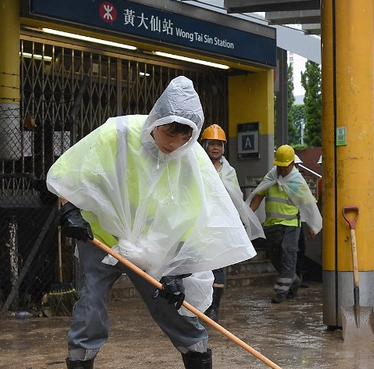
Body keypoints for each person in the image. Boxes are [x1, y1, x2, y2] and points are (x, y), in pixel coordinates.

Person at [47, 76, 256, 369]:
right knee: (89, 308)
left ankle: (197, 356)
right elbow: (67, 174)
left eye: (185, 138)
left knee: (173, 308)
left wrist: (178, 270)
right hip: (100, 238)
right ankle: (81, 361)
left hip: (152, 246)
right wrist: (70, 212)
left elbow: (193, 216)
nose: (176, 144)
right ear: (156, 119)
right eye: (171, 134)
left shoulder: (190, 157)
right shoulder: (117, 134)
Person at [199, 124, 264, 322]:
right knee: (200, 265)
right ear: (206, 145)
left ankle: (214, 309)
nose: (216, 148)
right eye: (212, 144)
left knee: (218, 265)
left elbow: (235, 196)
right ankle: (200, 305)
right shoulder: (198, 166)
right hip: (200, 223)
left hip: (220, 223)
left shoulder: (230, 172)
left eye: (219, 144)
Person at [248, 145, 322, 303]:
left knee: (289, 255)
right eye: (279, 166)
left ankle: (281, 292)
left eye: (285, 166)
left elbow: (308, 204)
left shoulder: (297, 181)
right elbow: (258, 196)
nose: (281, 170)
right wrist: (247, 215)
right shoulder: (270, 177)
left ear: (293, 164)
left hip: (291, 225)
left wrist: (312, 226)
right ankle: (293, 282)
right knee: (276, 259)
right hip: (271, 225)